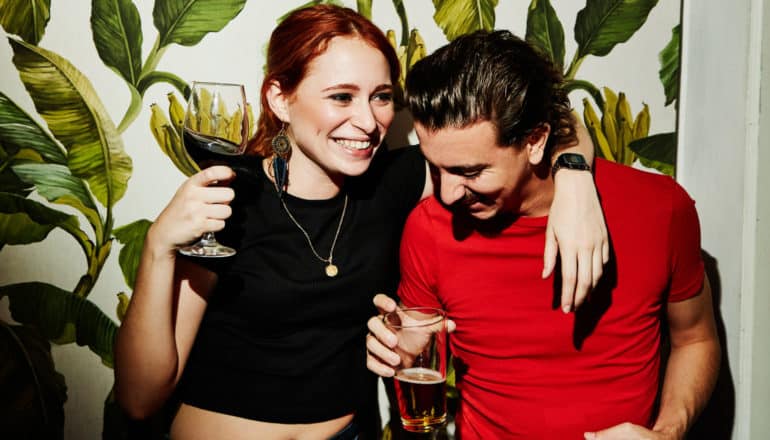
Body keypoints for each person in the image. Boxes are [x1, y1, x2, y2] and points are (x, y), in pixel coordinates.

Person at [114, 5, 607, 440]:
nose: (370, 121)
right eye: (342, 97)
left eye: (381, 96)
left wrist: (576, 181)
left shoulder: (394, 182)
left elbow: (555, 122)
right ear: (280, 99)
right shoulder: (229, 196)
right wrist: (159, 248)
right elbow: (141, 398)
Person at [366, 30, 721, 439]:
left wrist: (669, 432)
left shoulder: (660, 209)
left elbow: (695, 339)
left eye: (470, 171)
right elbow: (425, 350)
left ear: (535, 141)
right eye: (436, 167)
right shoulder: (428, 229)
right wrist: (405, 349)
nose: (446, 193)